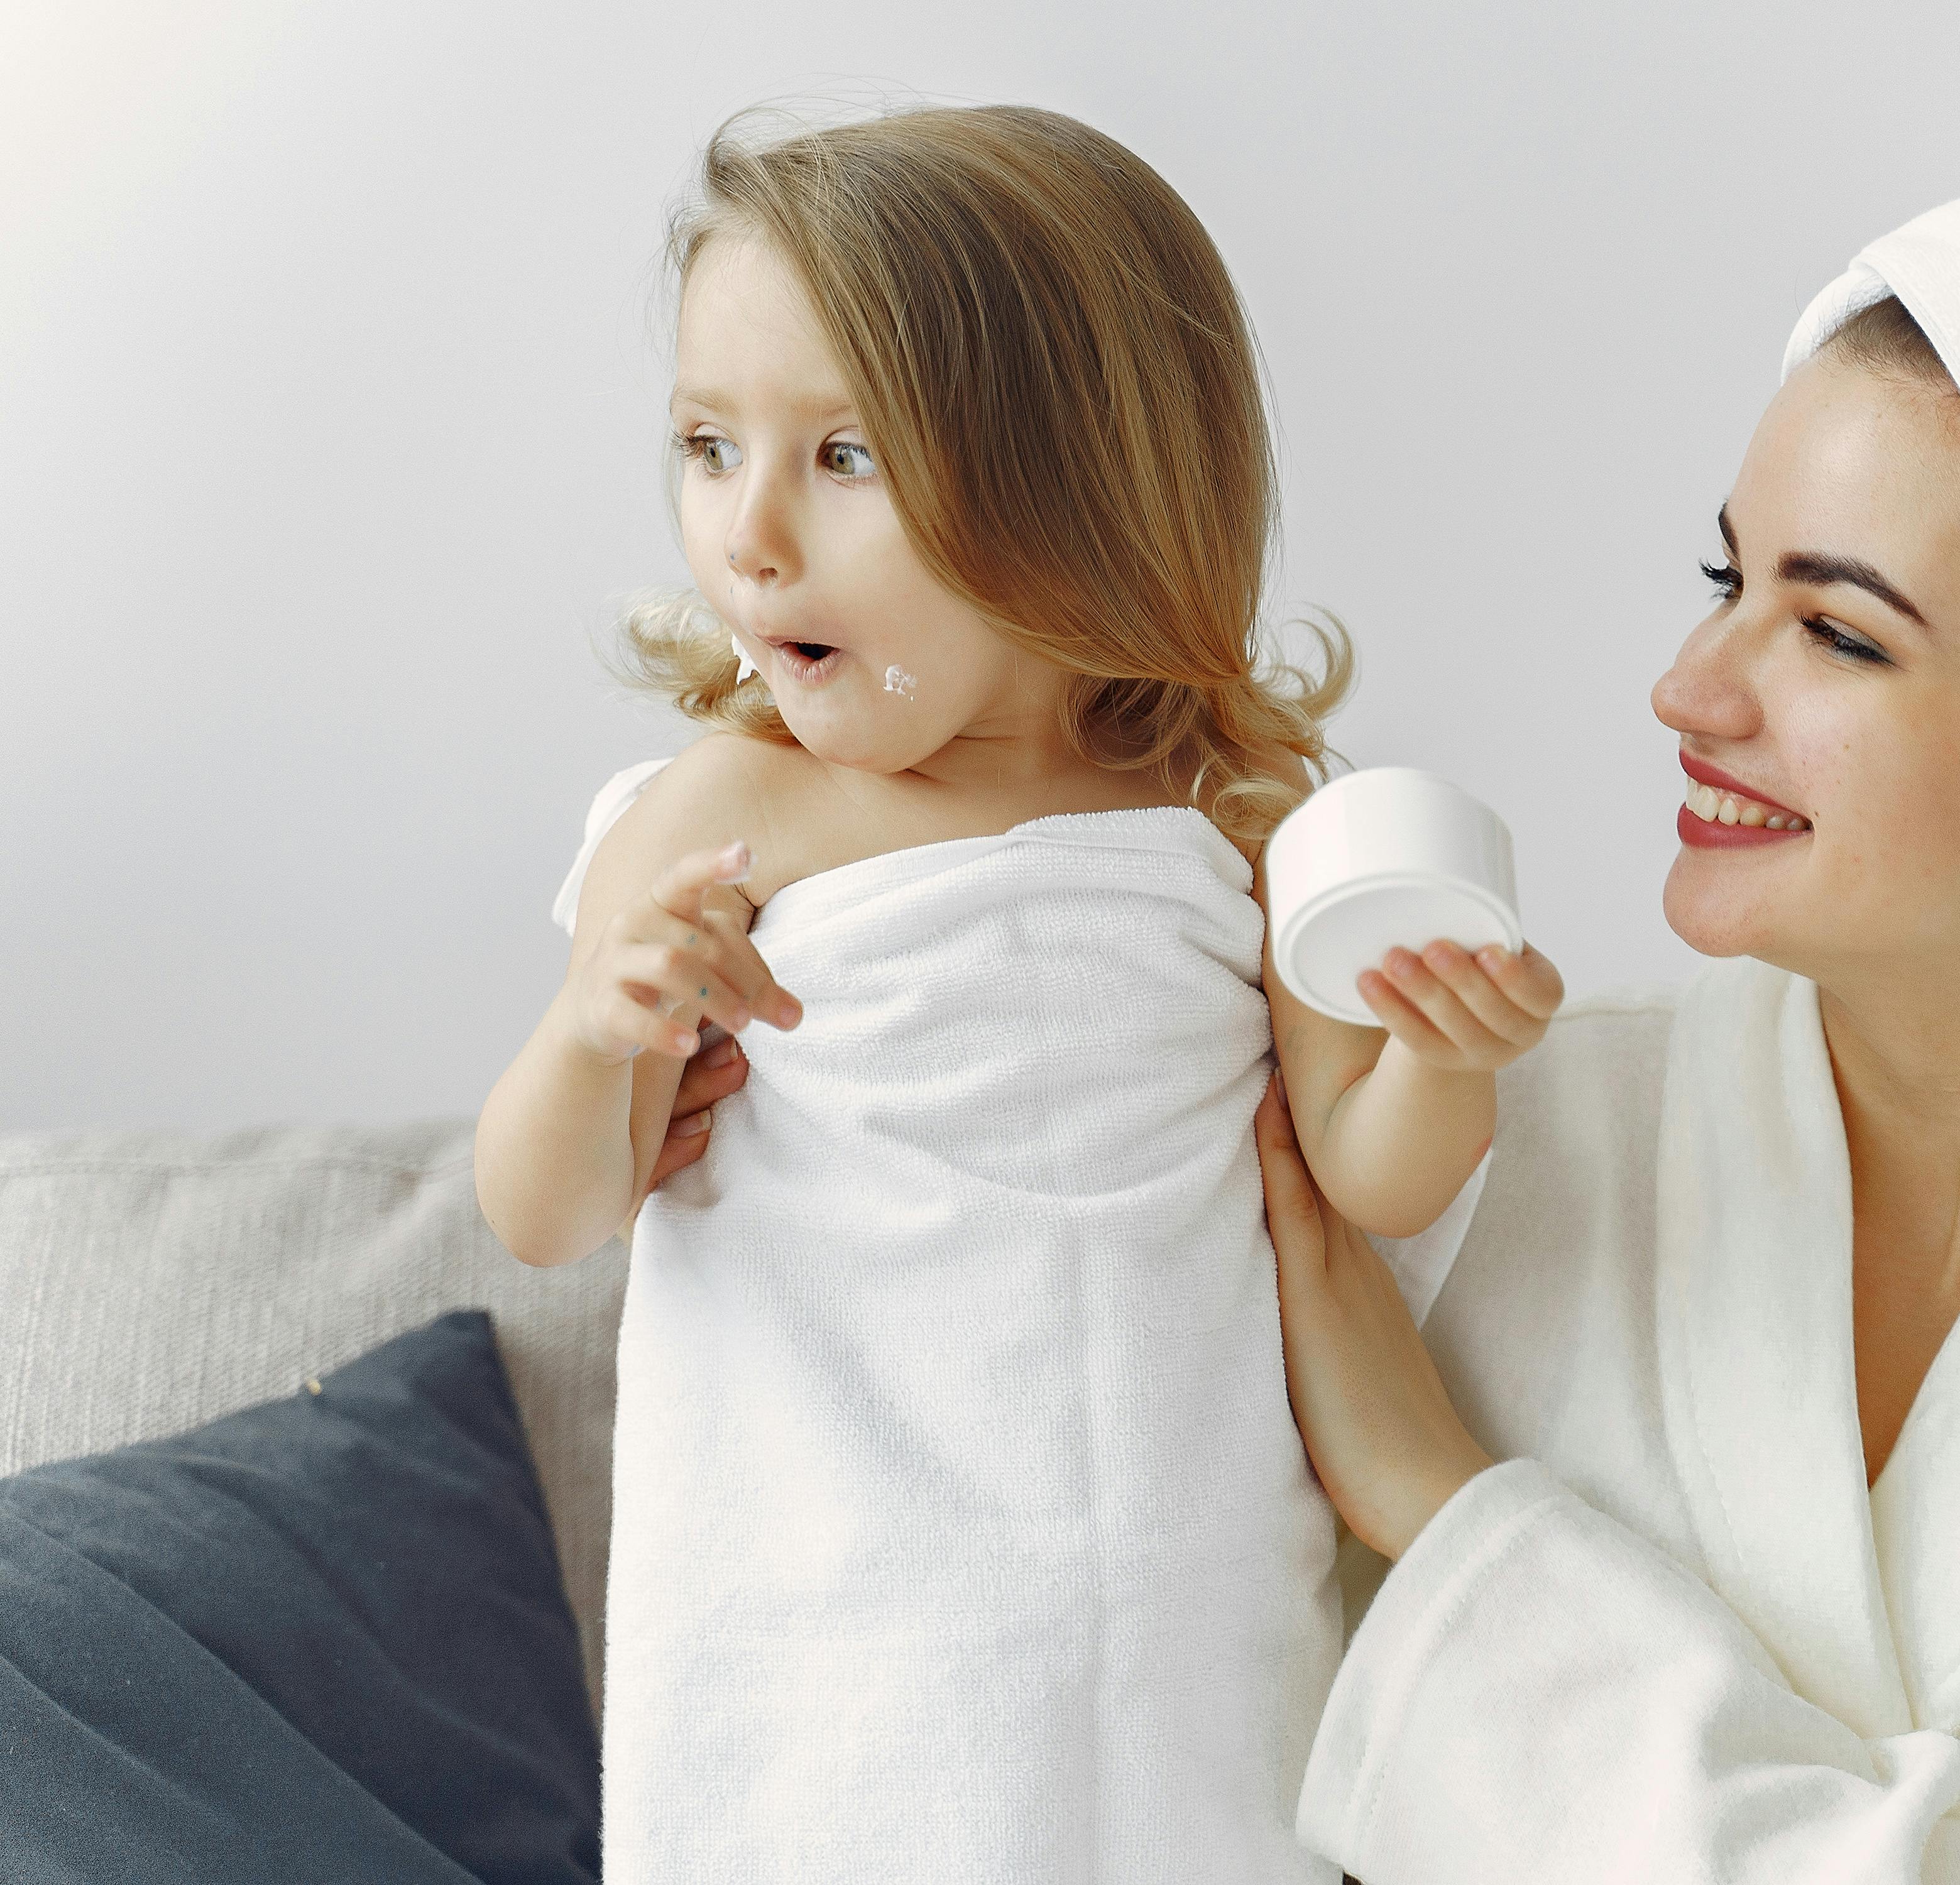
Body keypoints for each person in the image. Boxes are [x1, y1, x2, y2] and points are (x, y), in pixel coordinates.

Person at [655, 97, 1960, 1882]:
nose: (1686, 690)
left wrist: (1450, 1515)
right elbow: (1008, 1540)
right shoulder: (1502, 1127)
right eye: (1724, 579)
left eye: (1834, 634)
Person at [471, 101, 1557, 1884]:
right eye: (703, 442)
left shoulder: (1229, 822)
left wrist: (1444, 1052)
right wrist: (605, 1026)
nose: (747, 534)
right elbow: (544, 1208)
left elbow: (1365, 1179)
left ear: (1082, 492)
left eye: (842, 458)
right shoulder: (725, 820)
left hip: (1183, 1661)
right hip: (837, 1668)